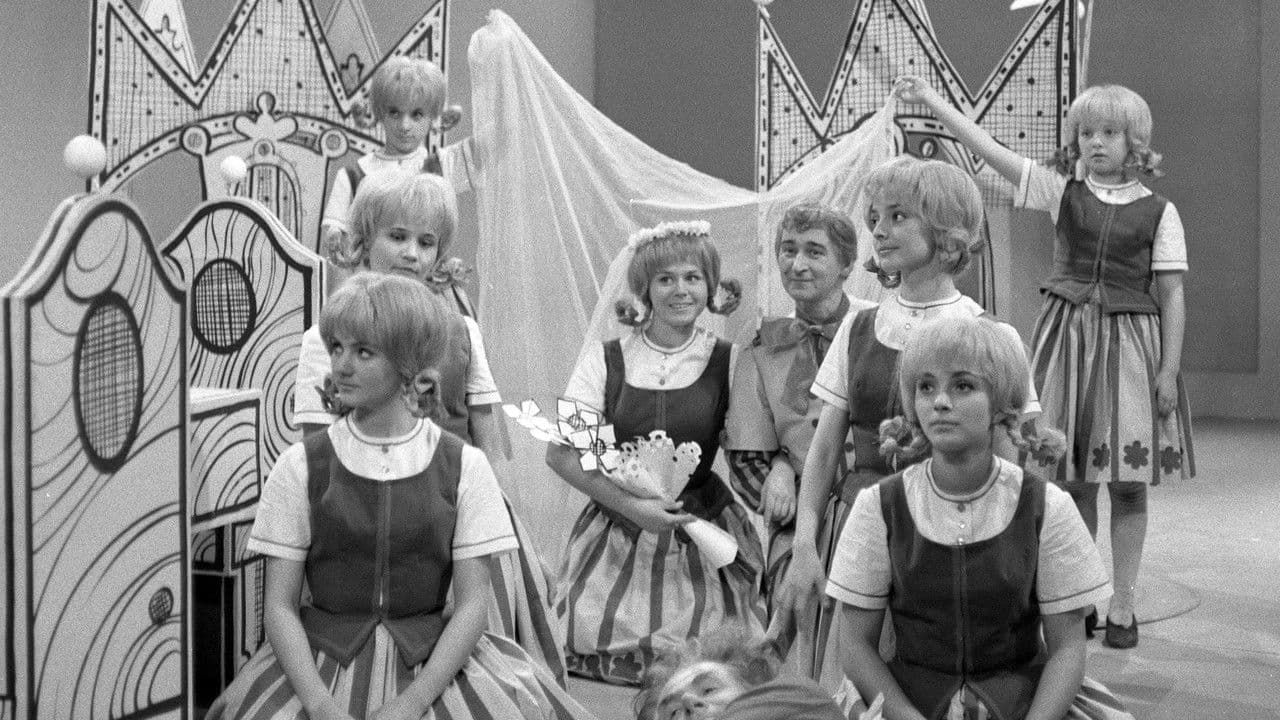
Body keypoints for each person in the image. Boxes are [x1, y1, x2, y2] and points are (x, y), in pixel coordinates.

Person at [208, 273, 594, 720]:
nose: (342, 365)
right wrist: (319, 704)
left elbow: (472, 608)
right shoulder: (301, 466)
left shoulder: (465, 467)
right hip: (316, 664)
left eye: (363, 351)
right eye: (337, 347)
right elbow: (278, 606)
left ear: (408, 363)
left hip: (431, 664)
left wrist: (412, 703)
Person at [896, 77, 1194, 648]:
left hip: (1130, 350)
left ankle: (1124, 604)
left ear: (1135, 142)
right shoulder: (1063, 193)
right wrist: (934, 102)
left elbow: (1173, 294)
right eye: (1086, 132)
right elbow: (990, 151)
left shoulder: (1161, 212)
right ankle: (1082, 592)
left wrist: (1168, 370)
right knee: (1074, 480)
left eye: (1109, 132)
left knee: (1128, 484)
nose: (1095, 142)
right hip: (1069, 346)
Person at [295, 169, 568, 683]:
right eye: (397, 236)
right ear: (364, 242)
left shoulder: (463, 333)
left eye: (426, 243)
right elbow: (315, 457)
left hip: (459, 514)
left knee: (478, 662)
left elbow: (488, 442)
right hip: (364, 519)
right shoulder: (325, 341)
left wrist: (513, 531)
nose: (412, 254)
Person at [774, 157, 1040, 678]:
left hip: (955, 529)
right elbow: (824, 453)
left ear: (946, 230)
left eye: (898, 217)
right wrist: (805, 543)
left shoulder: (994, 337)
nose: (879, 230)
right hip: (862, 523)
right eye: (875, 217)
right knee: (855, 676)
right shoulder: (857, 329)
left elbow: (1012, 466)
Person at [826, 314, 1136, 720]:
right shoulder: (879, 507)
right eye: (926, 386)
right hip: (909, 705)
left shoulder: (1047, 507)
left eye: (963, 386)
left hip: (1026, 705)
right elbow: (856, 647)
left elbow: (1068, 649)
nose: (939, 401)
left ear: (1001, 403)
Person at [547, 220, 765, 685]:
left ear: (710, 285)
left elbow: (753, 450)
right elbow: (561, 454)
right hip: (617, 528)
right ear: (645, 288)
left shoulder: (730, 359)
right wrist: (632, 507)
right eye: (665, 279)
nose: (680, 290)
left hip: (702, 524)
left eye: (692, 277)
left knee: (704, 671)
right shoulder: (605, 358)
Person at [723, 203, 873, 681]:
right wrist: (781, 471)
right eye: (788, 250)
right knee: (795, 595)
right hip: (800, 522)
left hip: (876, 506)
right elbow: (748, 454)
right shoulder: (763, 346)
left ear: (847, 264)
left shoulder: (877, 331)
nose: (798, 264)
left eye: (814, 251)